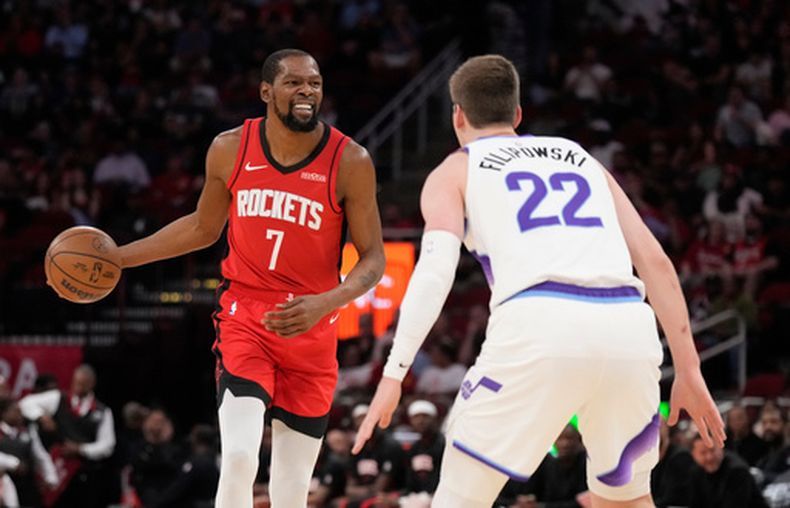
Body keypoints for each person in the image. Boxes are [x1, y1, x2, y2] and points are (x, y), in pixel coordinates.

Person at [353, 54, 725, 508]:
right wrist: (688, 369)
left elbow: (434, 272)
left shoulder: (455, 170)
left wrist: (394, 374)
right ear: (518, 114)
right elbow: (656, 262)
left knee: (458, 499)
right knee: (625, 500)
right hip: (628, 325)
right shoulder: (580, 157)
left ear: (458, 116)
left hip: (540, 321)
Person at [113, 48, 385, 508]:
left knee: (291, 487)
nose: (306, 92)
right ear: (266, 91)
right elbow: (202, 228)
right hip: (246, 317)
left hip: (312, 325)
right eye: (294, 83)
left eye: (314, 84)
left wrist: (326, 302)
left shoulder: (350, 160)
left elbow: (374, 259)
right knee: (239, 457)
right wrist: (121, 257)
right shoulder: (231, 147)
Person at [18, 364, 116, 508]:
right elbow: (25, 403)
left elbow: (107, 445)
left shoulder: (102, 411)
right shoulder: (59, 398)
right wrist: (41, 417)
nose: (78, 387)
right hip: (58, 468)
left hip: (85, 474)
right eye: (76, 382)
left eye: (83, 384)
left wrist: (81, 449)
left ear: (92, 384)